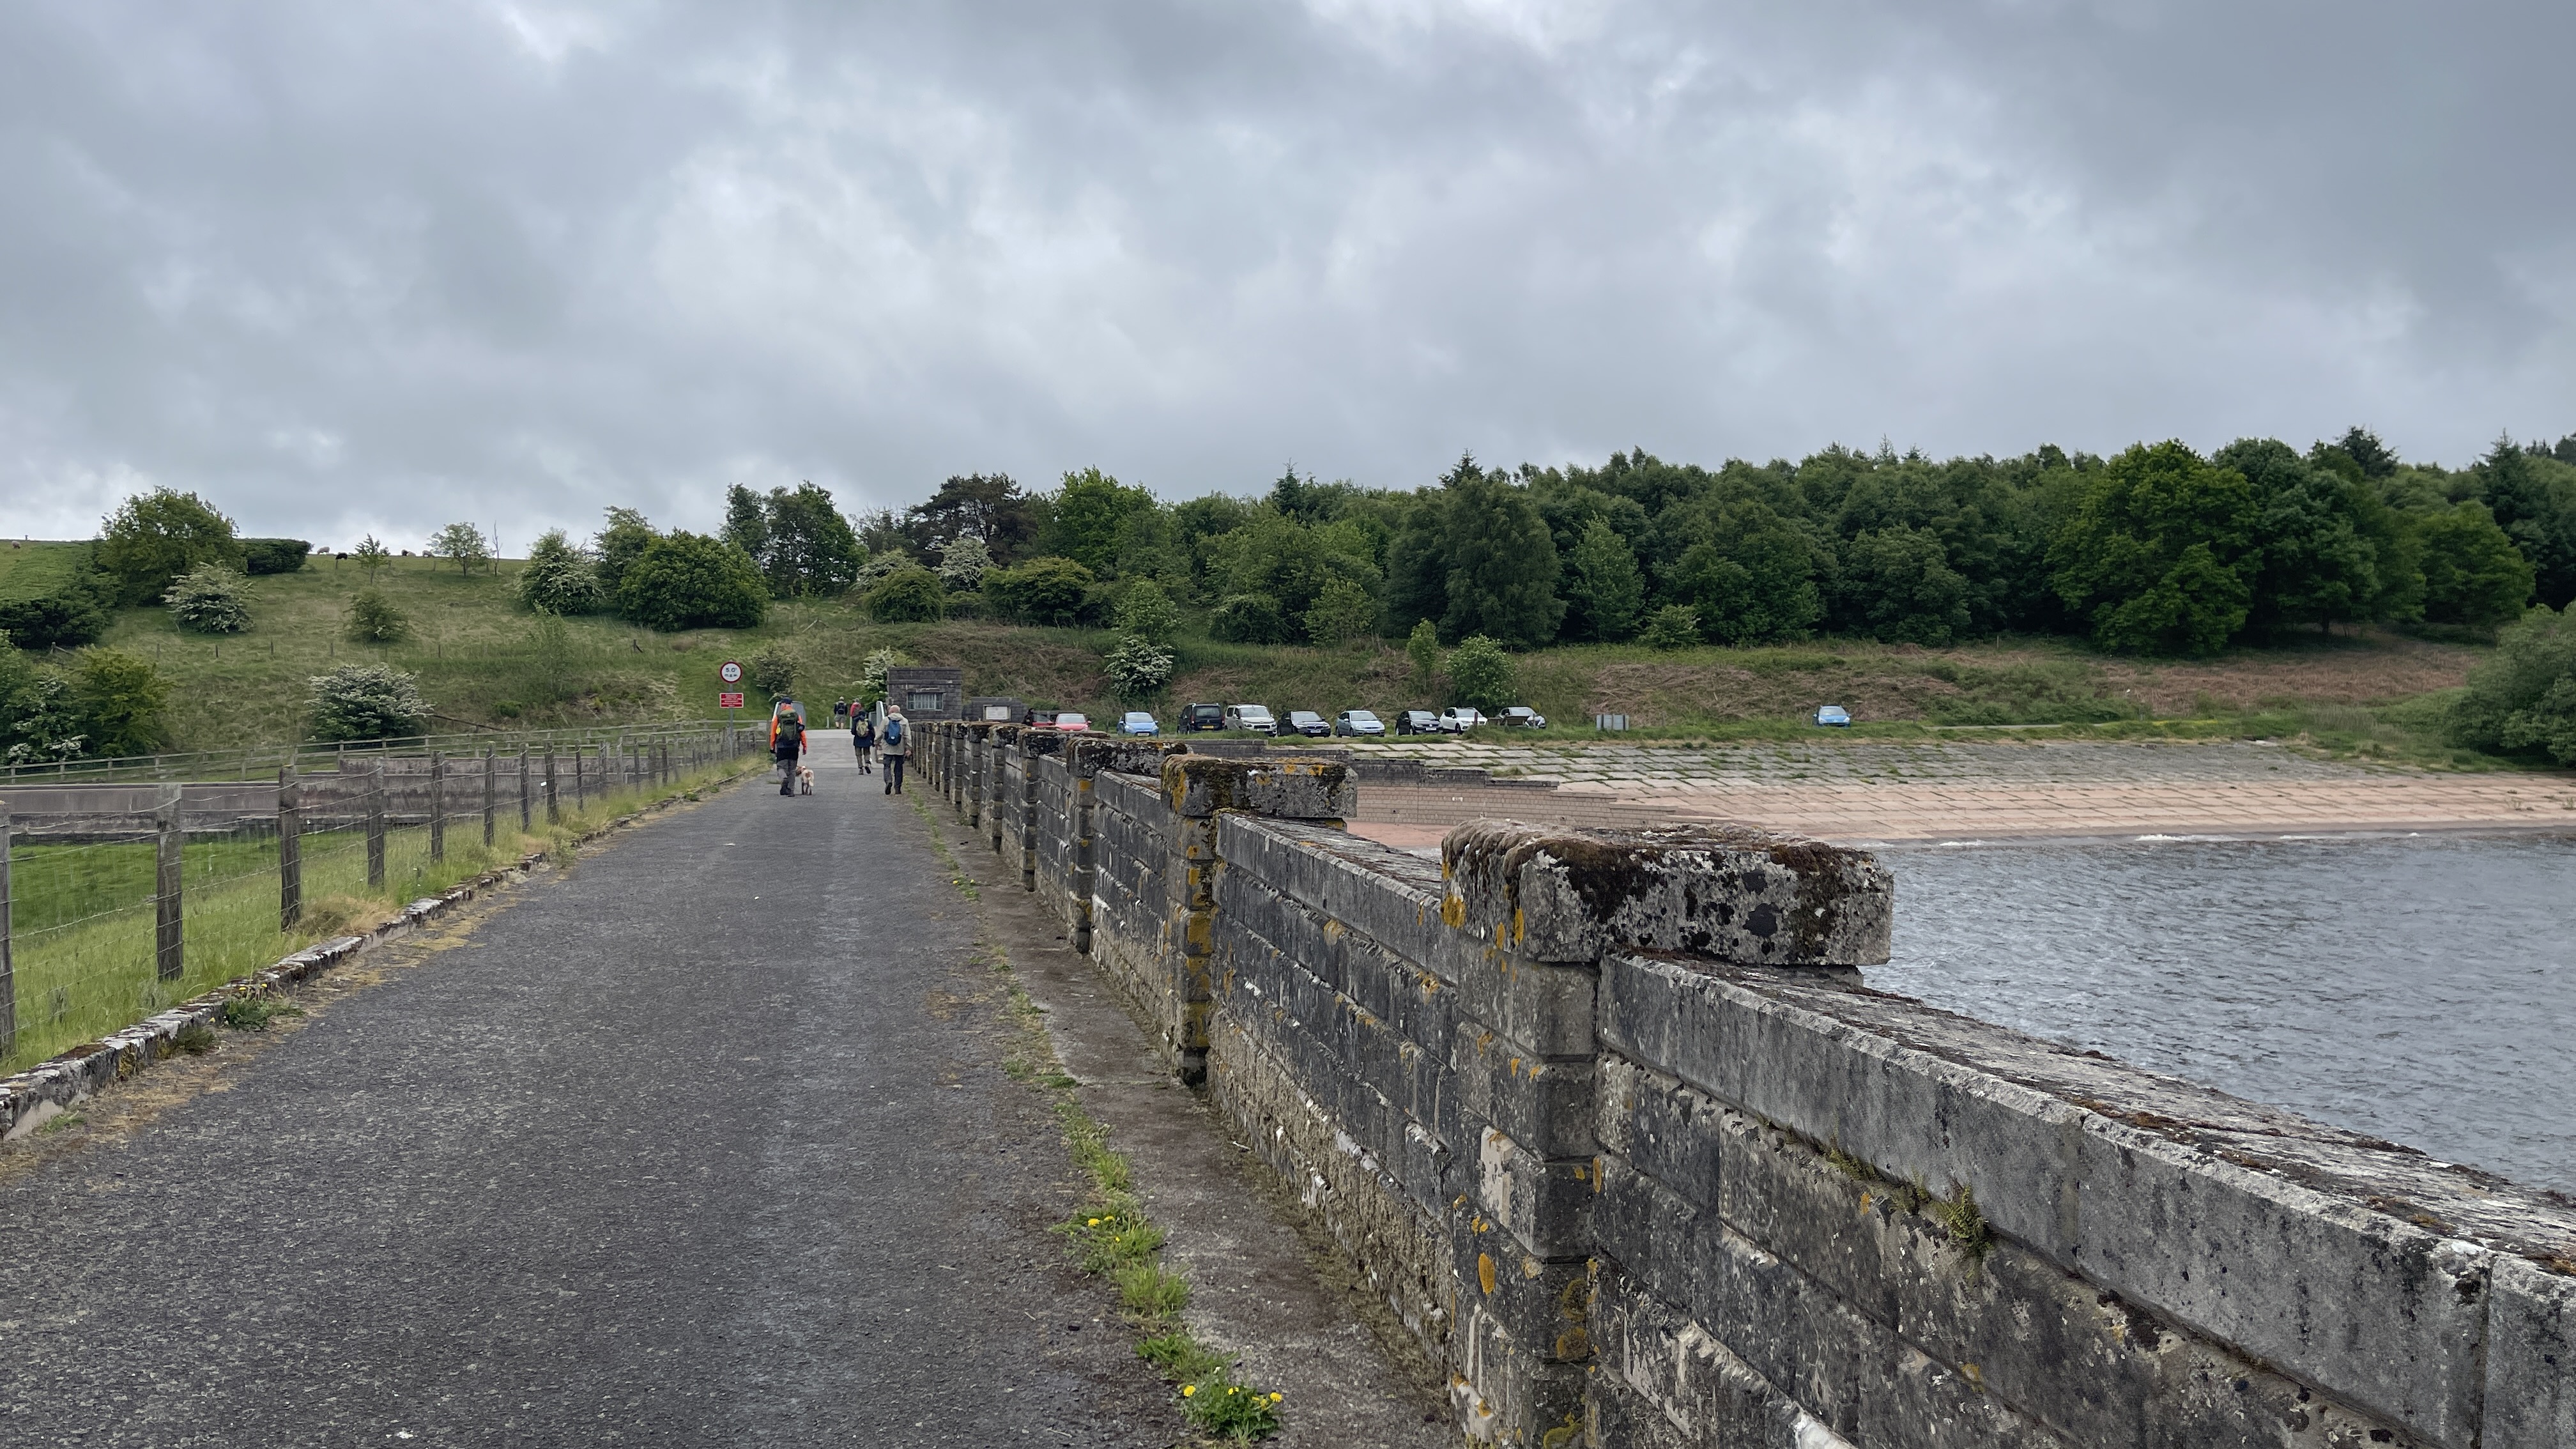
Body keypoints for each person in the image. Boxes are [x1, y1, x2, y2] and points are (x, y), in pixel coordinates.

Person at [770, 702, 807, 795]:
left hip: (782, 746)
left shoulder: (779, 717)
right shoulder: (797, 716)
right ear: (791, 706)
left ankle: (784, 779)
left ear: (783, 706)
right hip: (794, 746)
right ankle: (791, 790)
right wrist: (804, 746)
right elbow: (802, 732)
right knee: (792, 770)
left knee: (781, 767)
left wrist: (772, 745)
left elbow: (773, 733)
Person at [879, 705, 909, 795]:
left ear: (891, 711)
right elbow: (908, 736)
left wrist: (876, 742)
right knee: (899, 767)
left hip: (888, 747)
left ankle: (888, 781)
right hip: (900, 748)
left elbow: (880, 733)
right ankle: (897, 788)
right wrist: (909, 748)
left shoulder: (886, 720)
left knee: (887, 766)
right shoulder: (904, 721)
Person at [852, 709, 875, 774]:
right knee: (867, 753)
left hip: (858, 740)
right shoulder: (868, 722)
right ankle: (867, 764)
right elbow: (872, 732)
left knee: (858, 755)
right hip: (867, 740)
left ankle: (861, 768)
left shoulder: (856, 721)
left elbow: (853, 731)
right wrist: (873, 741)